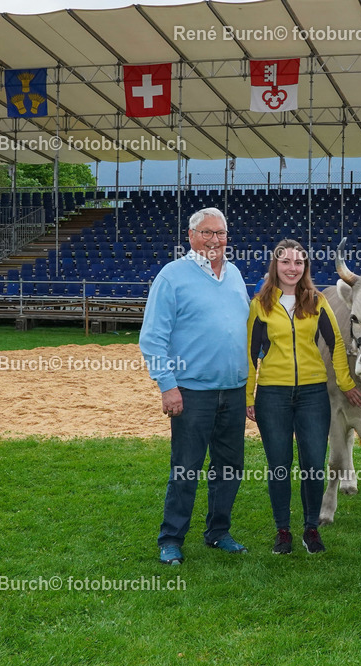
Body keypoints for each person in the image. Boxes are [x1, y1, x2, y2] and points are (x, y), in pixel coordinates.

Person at [140, 207, 251, 566]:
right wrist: (167, 386)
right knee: (186, 468)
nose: (215, 240)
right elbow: (153, 338)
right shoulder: (172, 276)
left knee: (229, 468)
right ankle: (171, 538)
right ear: (191, 236)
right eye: (207, 233)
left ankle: (218, 532)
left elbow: (246, 330)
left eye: (220, 233)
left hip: (233, 391)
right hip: (191, 392)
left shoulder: (234, 275)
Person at [245, 239, 361, 555]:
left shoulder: (317, 300)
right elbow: (249, 353)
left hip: (313, 394)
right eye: (286, 262)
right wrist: (249, 395)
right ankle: (283, 531)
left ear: (304, 267)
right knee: (279, 465)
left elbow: (336, 344)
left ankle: (311, 529)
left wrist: (347, 383)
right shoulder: (260, 304)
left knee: (313, 464)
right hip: (273, 394)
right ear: (276, 266)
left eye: (298, 262)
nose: (292, 268)